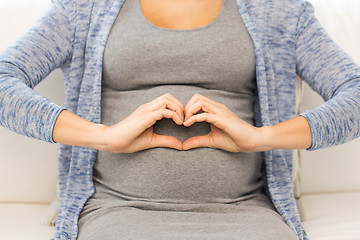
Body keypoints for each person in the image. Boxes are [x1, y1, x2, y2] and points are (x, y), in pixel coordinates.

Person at [0, 0, 359, 239]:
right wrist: (104, 136)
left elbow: (354, 96)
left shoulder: (278, 11)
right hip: (117, 213)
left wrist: (260, 137)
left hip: (245, 214)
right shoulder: (83, 9)